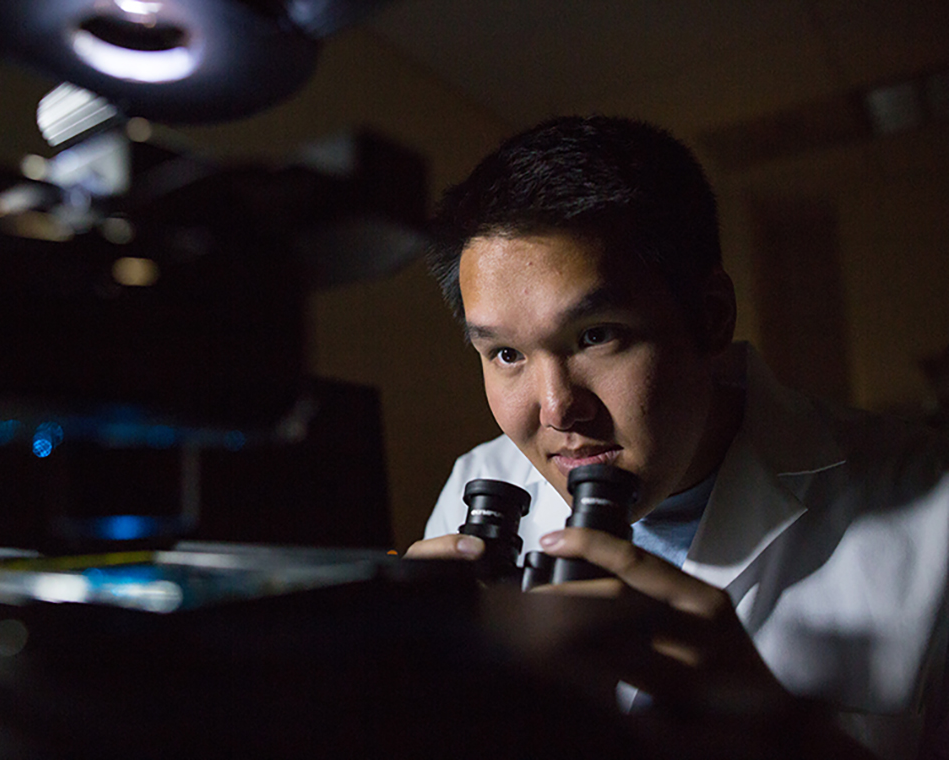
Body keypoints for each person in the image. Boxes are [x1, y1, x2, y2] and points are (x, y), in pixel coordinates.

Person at [406, 115, 949, 759]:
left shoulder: (932, 506)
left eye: (595, 336)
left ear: (711, 317)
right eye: (504, 355)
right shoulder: (481, 480)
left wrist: (786, 735)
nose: (556, 410)